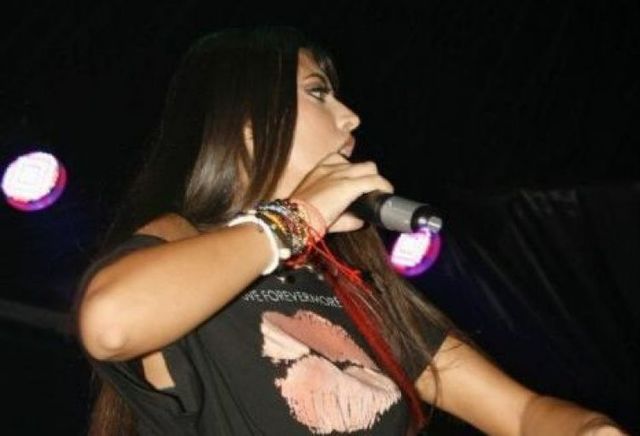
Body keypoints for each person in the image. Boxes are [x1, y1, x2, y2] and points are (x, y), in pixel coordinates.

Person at [72, 26, 628, 435]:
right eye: (318, 92)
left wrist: (589, 429)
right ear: (247, 123)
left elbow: (522, 414)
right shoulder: (182, 242)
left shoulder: (358, 291)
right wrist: (296, 217)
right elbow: (112, 323)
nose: (350, 117)